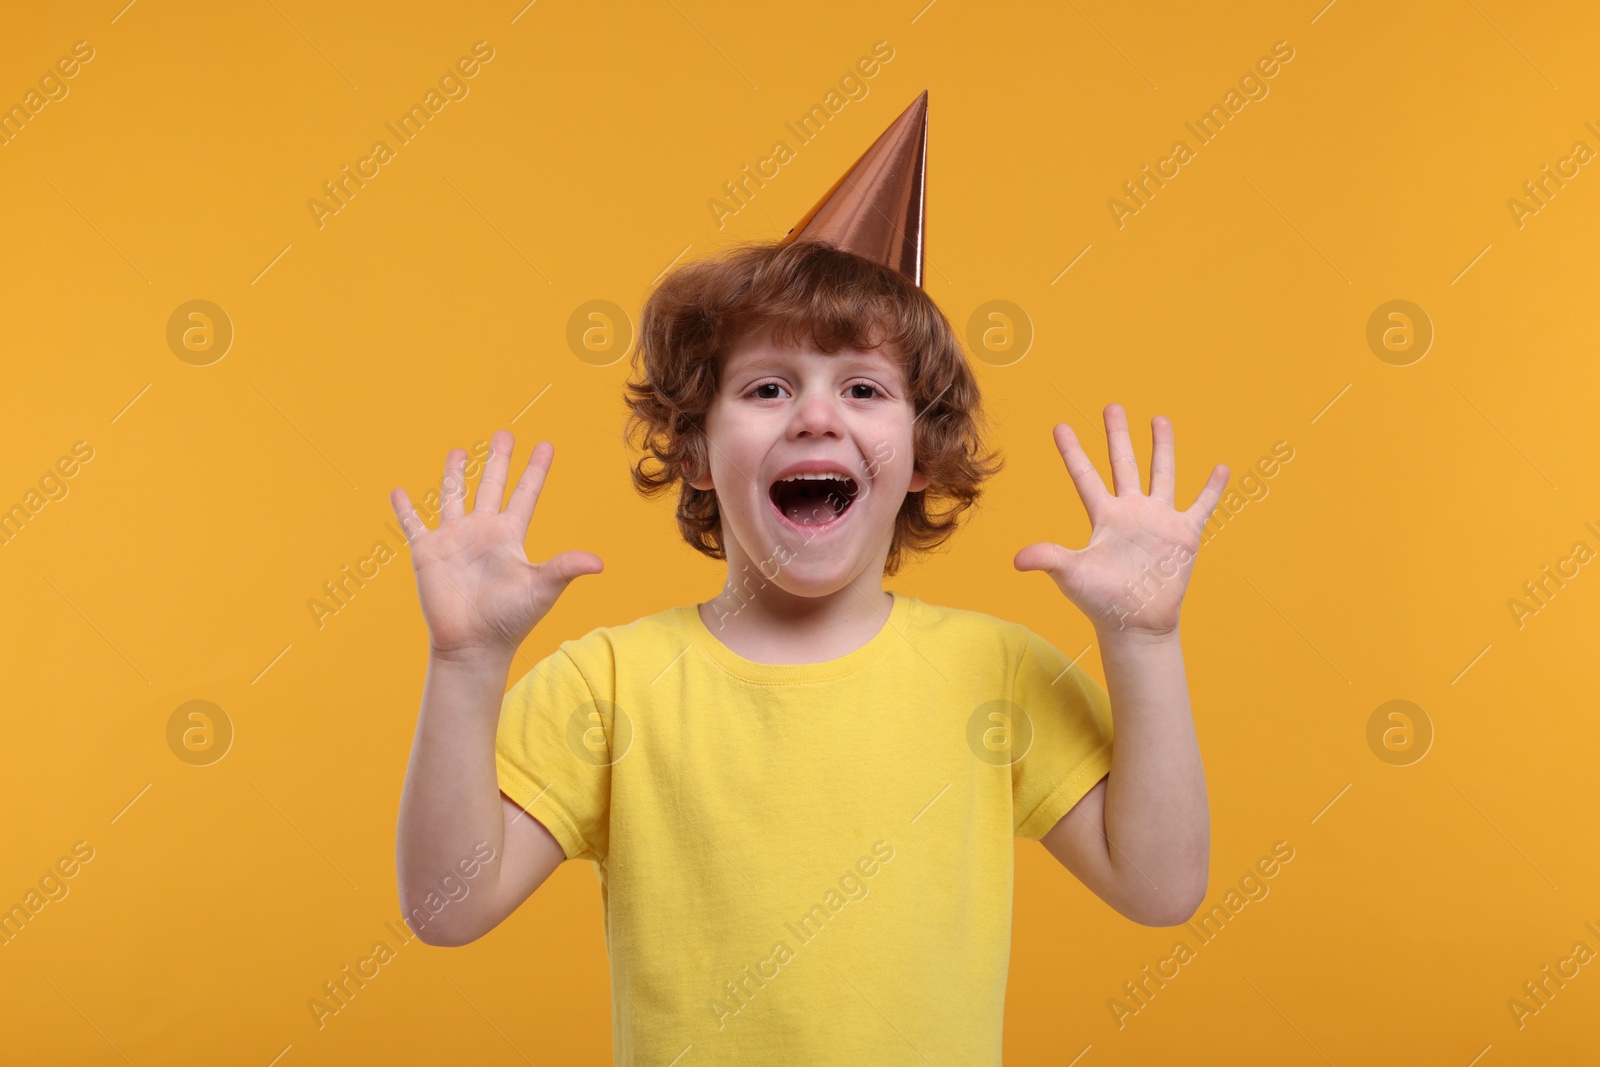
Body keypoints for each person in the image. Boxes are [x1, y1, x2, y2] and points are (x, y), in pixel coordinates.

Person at [392, 92, 1227, 1065]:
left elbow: (1162, 887)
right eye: (766, 387)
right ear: (698, 451)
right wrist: (461, 666)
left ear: (921, 455)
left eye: (863, 388)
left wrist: (1145, 643)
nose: (816, 418)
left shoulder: (992, 671)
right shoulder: (610, 683)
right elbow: (444, 910)